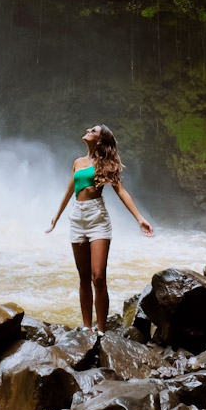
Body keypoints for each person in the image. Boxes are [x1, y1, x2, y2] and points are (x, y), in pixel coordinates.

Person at [46, 124, 154, 331]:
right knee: (84, 276)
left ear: (100, 139)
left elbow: (121, 191)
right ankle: (87, 328)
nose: (88, 130)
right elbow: (69, 191)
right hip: (77, 217)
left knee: (98, 276)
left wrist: (139, 218)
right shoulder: (78, 162)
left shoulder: (105, 164)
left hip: (98, 218)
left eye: (93, 130)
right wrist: (56, 217)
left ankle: (102, 330)